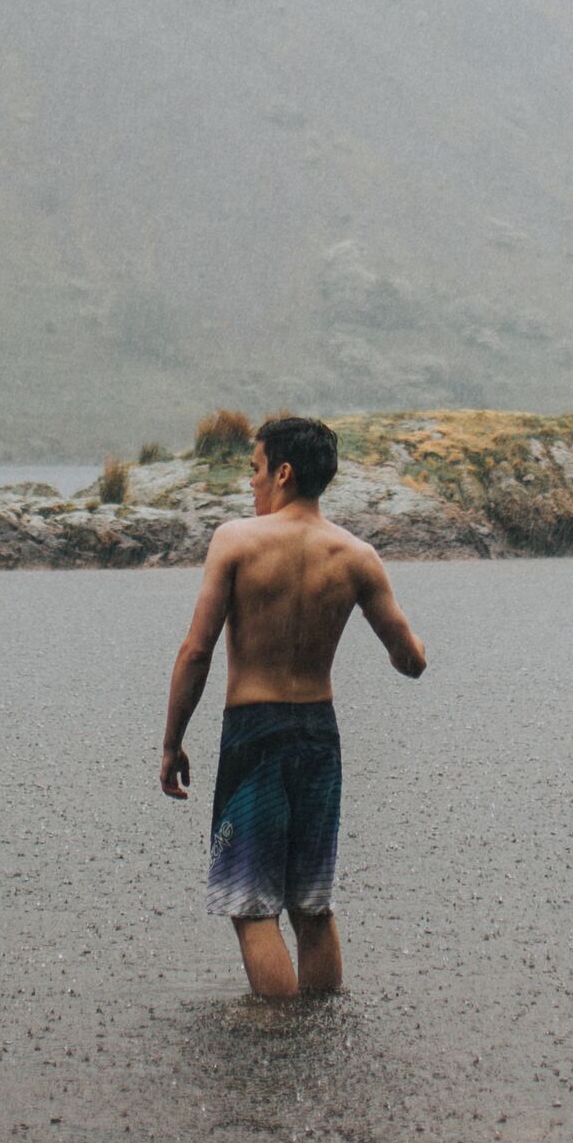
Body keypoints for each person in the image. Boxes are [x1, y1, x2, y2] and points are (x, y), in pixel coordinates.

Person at [158, 412, 426, 998]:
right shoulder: (356, 555)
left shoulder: (236, 541)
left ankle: (279, 1039)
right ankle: (322, 1031)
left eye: (255, 469)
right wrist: (409, 651)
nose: (251, 483)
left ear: (283, 473)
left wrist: (172, 742)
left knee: (252, 908)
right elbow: (410, 659)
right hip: (318, 736)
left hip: (254, 734)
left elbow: (196, 651)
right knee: (312, 903)